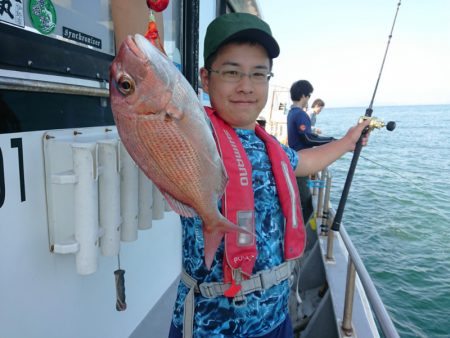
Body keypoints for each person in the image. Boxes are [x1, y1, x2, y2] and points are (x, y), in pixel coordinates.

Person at [169, 13, 370, 338]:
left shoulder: (270, 145)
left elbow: (302, 162)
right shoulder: (193, 136)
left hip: (276, 318)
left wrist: (347, 142)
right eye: (232, 72)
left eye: (258, 74)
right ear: (206, 79)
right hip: (211, 327)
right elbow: (144, 90)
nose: (246, 86)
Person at [287, 81, 335, 223]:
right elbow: (308, 138)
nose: (308, 99)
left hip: (295, 160)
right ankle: (299, 237)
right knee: (306, 205)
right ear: (303, 95)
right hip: (301, 164)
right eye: (308, 96)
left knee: (297, 200)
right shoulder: (301, 115)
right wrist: (331, 141)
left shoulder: (291, 113)